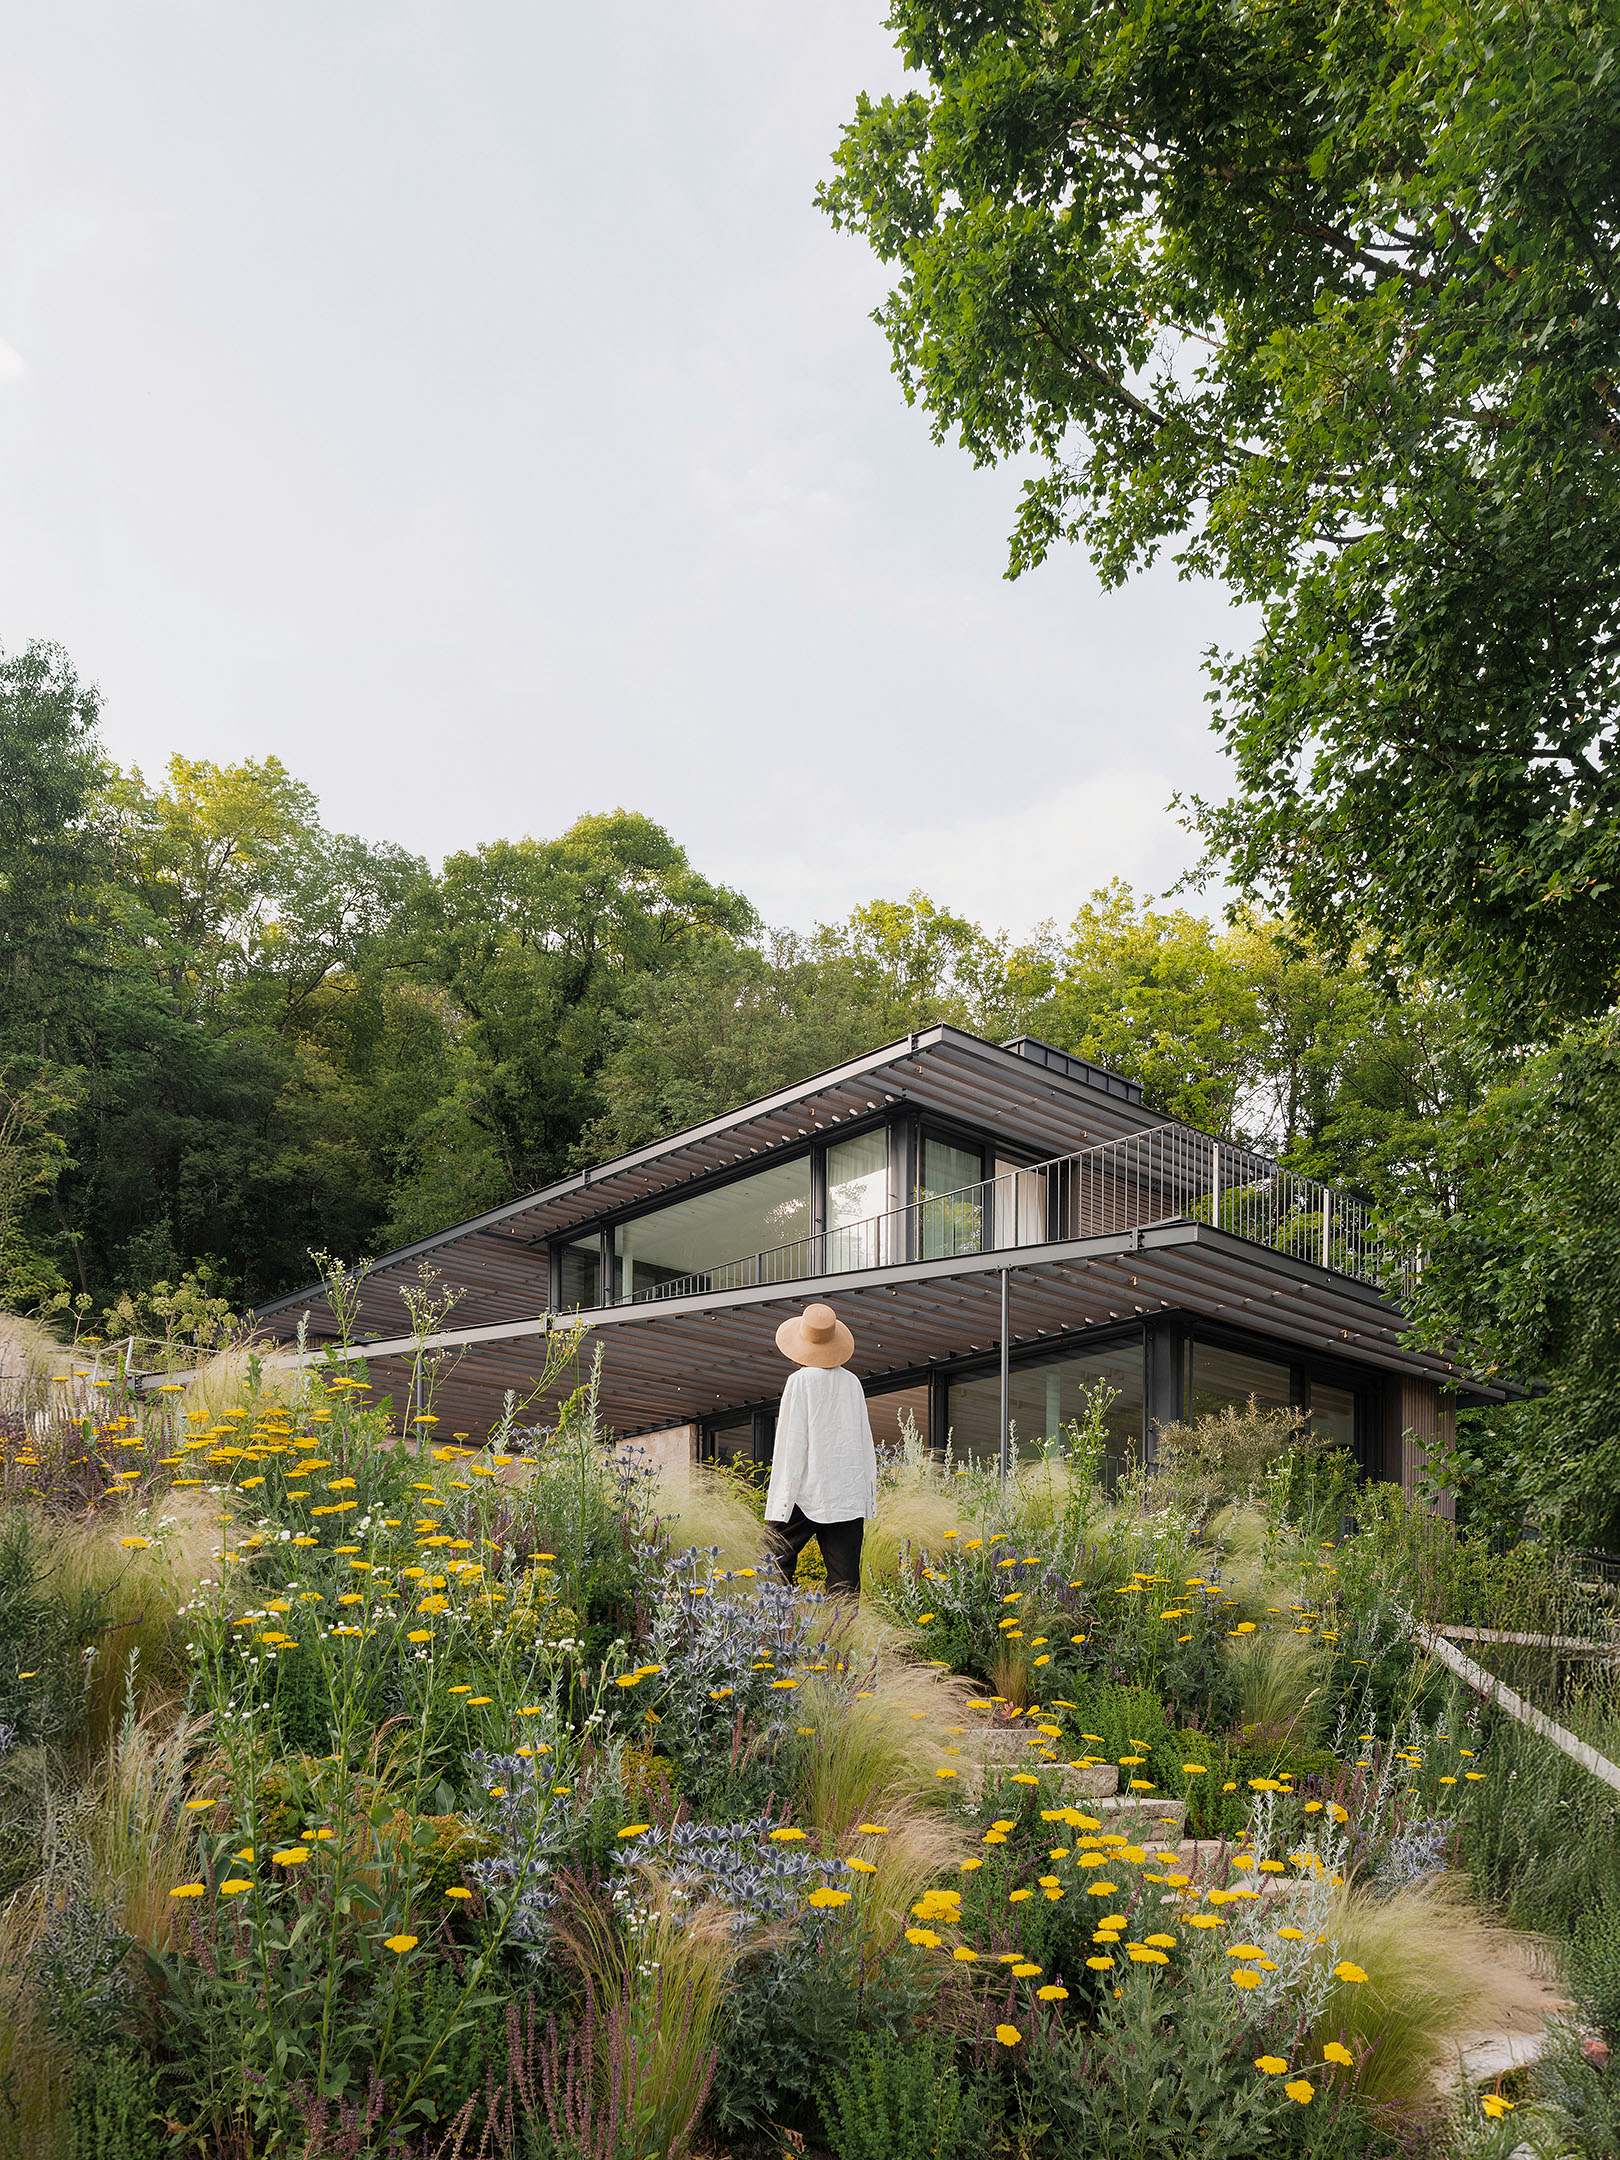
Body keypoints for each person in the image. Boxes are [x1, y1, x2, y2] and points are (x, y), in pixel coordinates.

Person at [762, 1301, 876, 1602]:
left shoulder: (799, 1381)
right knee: (845, 1582)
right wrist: (867, 1497)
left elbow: (791, 1442)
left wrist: (782, 1500)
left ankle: (775, 1623)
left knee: (772, 1560)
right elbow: (864, 1440)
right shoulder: (852, 1383)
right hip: (847, 1494)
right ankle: (844, 1630)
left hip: (806, 1491)